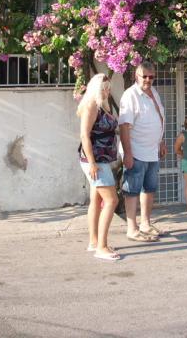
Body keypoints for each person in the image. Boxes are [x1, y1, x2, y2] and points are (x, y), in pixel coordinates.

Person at [119, 61, 166, 242]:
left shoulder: (153, 92)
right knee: (132, 190)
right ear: (136, 76)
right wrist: (128, 153)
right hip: (136, 151)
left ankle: (145, 224)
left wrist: (161, 141)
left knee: (149, 188)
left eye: (151, 76)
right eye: (144, 76)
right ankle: (132, 228)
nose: (147, 80)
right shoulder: (130, 95)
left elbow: (159, 118)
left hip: (152, 150)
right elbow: (124, 126)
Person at [77, 73, 120, 261]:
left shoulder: (102, 105)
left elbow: (104, 130)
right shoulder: (91, 106)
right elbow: (84, 136)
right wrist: (92, 163)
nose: (107, 91)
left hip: (101, 159)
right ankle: (101, 247)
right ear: (96, 89)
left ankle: (94, 241)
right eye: (104, 88)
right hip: (96, 161)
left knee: (96, 200)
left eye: (108, 87)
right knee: (111, 201)